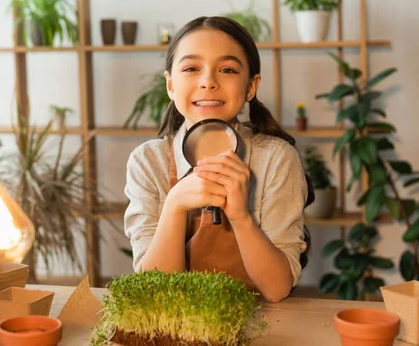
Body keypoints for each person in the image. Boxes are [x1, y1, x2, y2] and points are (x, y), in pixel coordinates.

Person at [123, 16, 314, 302]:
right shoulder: (147, 162)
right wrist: (174, 205)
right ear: (171, 85)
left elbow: (277, 289)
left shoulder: (276, 159)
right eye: (191, 68)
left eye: (226, 69)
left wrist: (241, 216)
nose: (208, 82)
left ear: (251, 87)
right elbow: (154, 293)